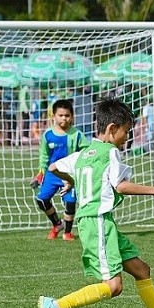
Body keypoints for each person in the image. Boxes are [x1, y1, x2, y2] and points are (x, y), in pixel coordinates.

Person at [38, 97, 154, 308]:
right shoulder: (110, 152)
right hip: (97, 221)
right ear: (112, 129)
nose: (128, 137)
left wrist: (71, 180)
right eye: (126, 131)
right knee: (114, 286)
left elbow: (53, 168)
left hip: (102, 222)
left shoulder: (84, 154)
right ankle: (56, 306)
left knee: (142, 270)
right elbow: (121, 186)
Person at [33, 99, 89, 241]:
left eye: (67, 115)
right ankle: (57, 224)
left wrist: (79, 168)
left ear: (72, 117)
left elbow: (85, 151)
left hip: (69, 174)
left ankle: (68, 232)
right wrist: (41, 172)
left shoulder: (77, 135)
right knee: (41, 199)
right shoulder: (47, 135)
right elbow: (44, 155)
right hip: (52, 174)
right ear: (54, 116)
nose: (64, 118)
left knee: (70, 202)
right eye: (61, 115)